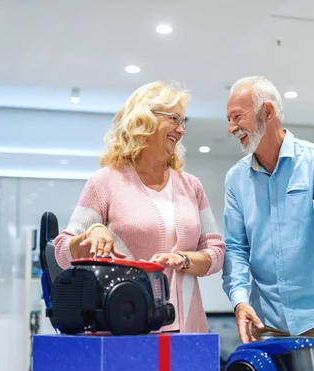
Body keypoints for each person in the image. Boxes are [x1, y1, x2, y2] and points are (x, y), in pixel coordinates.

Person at [221, 76, 314, 371]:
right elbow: (237, 251)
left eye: (237, 117)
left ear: (267, 112)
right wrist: (240, 299)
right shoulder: (235, 180)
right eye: (229, 119)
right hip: (269, 328)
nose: (231, 128)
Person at [53, 81, 225, 333]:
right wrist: (91, 232)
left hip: (188, 328)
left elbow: (216, 252)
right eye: (174, 119)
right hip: (124, 328)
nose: (181, 130)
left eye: (183, 122)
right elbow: (61, 253)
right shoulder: (104, 183)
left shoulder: (192, 186)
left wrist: (183, 259)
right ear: (145, 119)